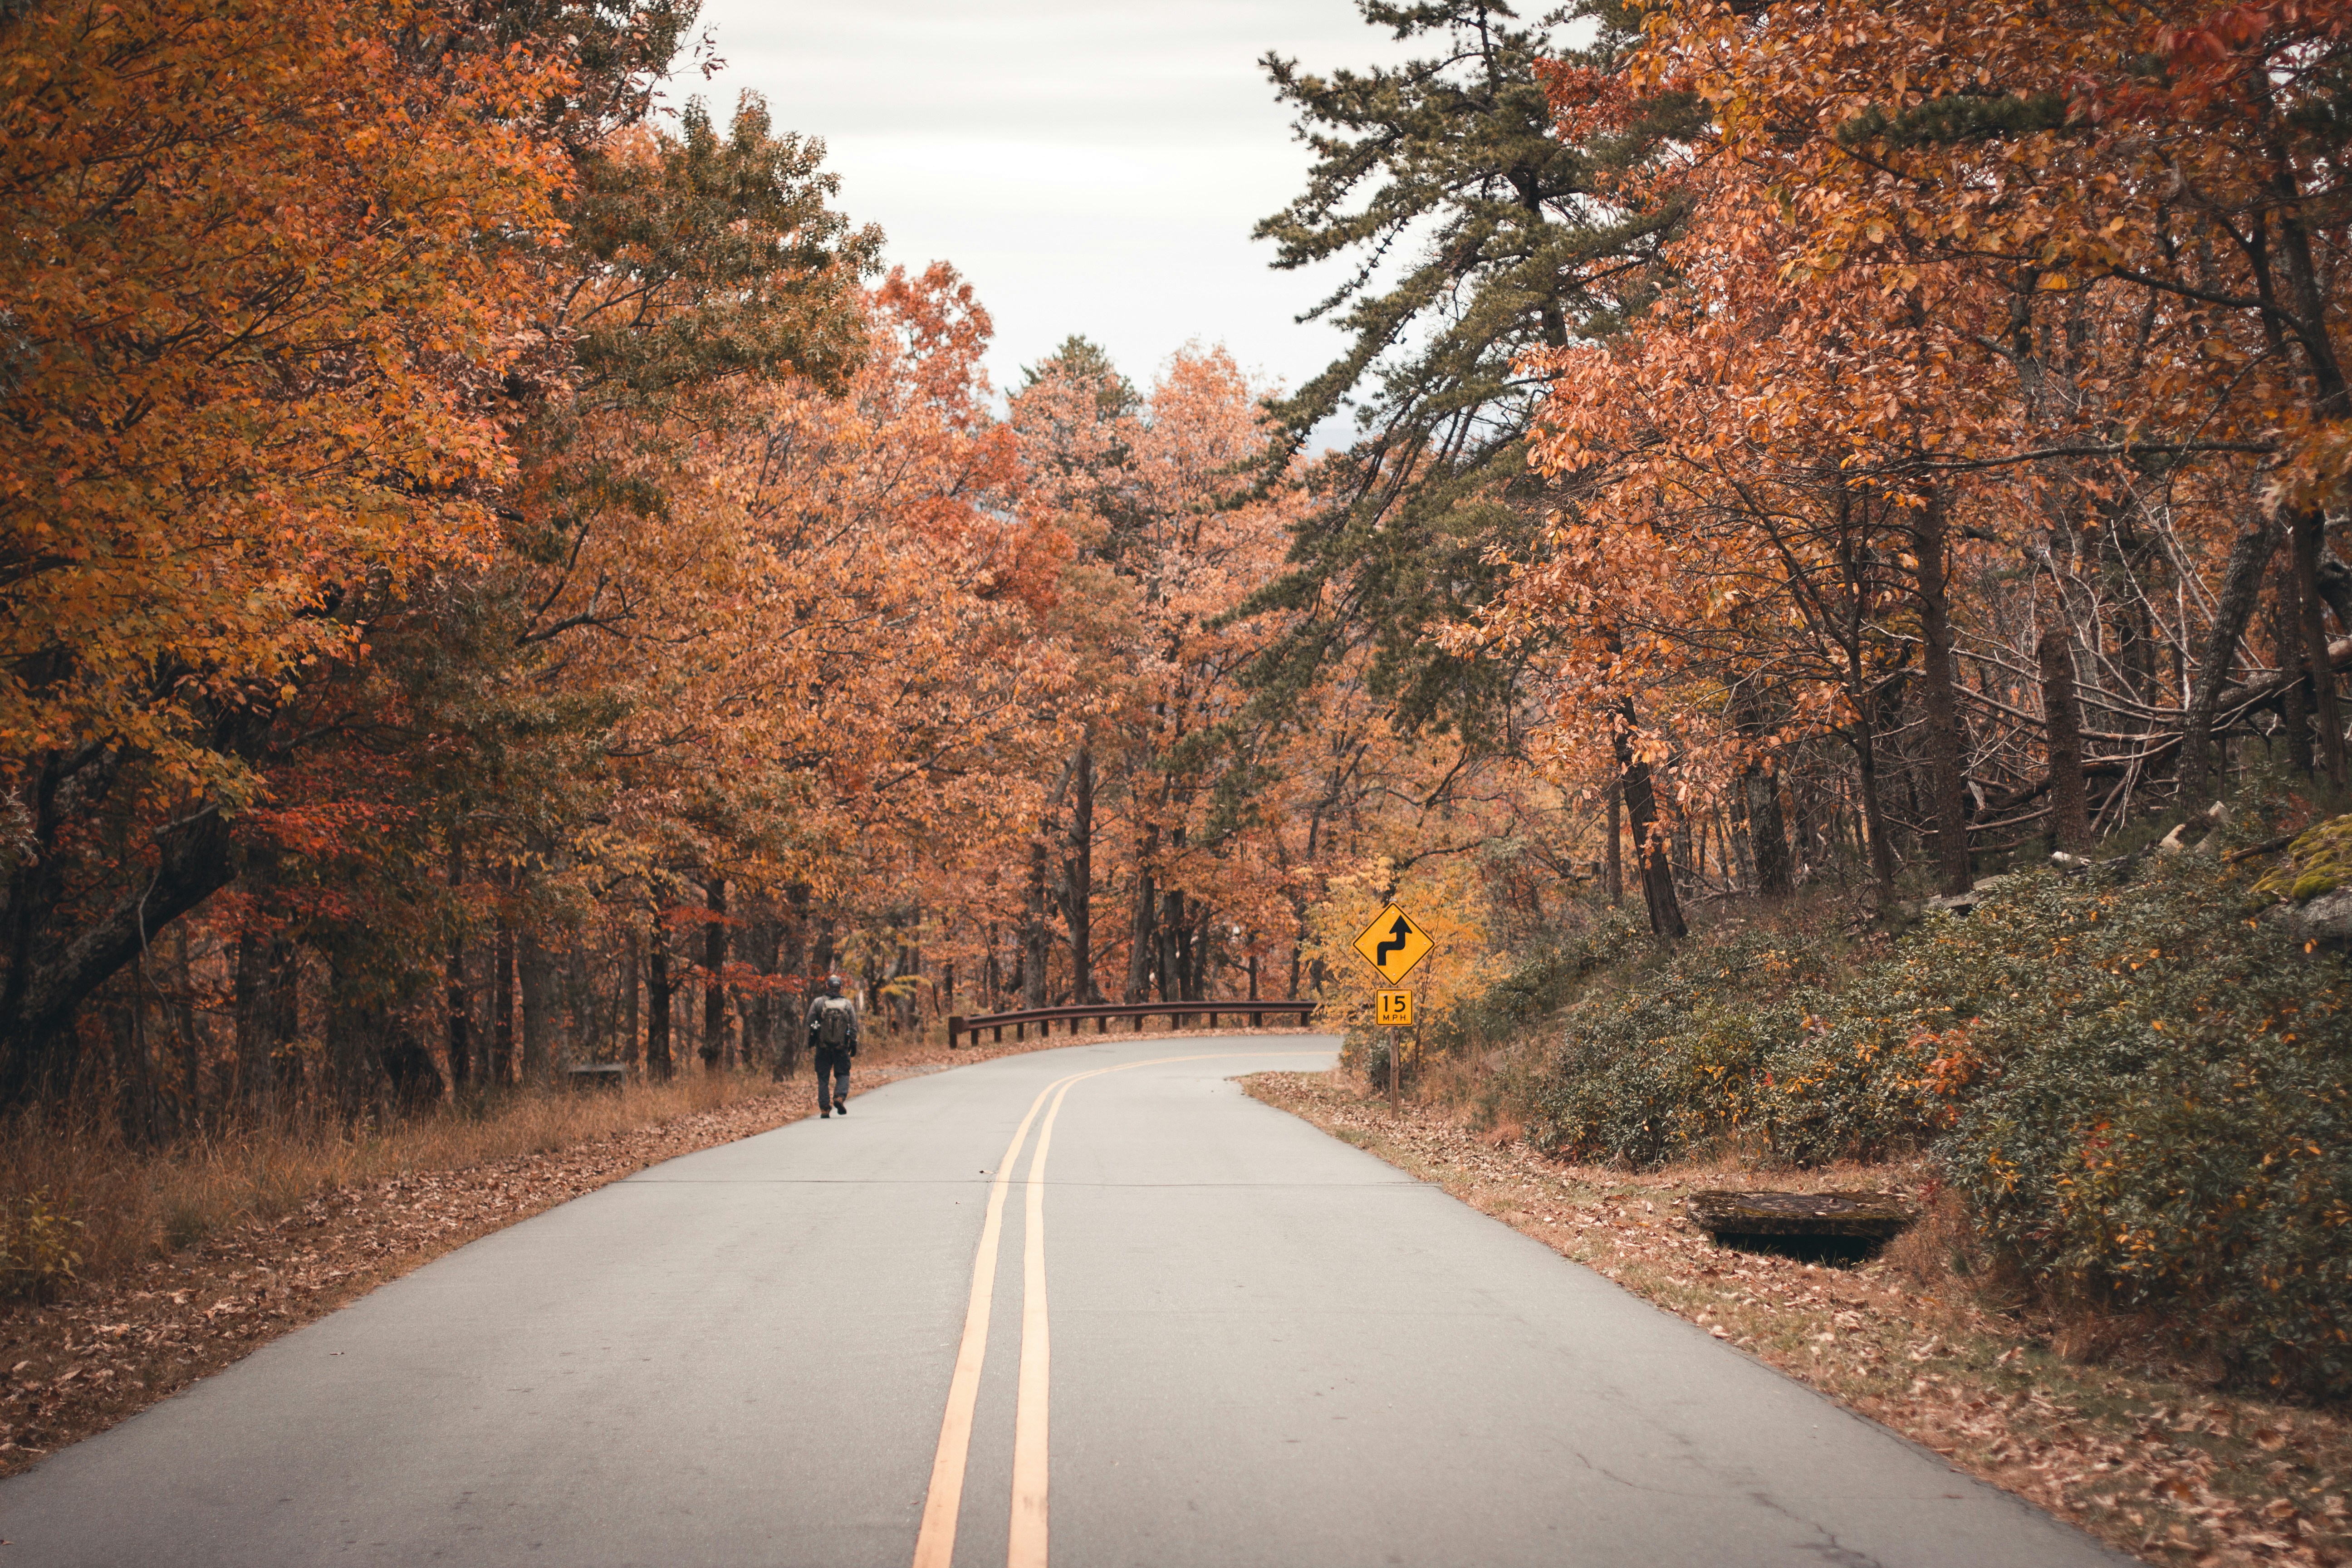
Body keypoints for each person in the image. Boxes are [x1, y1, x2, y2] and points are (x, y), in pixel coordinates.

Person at [807, 973, 860, 1118]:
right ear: (840, 988)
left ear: (827, 986)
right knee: (843, 1073)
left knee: (823, 1077)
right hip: (841, 1047)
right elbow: (853, 1025)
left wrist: (816, 1031)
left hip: (822, 1047)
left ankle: (825, 1108)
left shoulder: (818, 1002)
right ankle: (839, 1097)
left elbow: (811, 1021)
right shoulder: (847, 1004)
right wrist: (853, 1042)